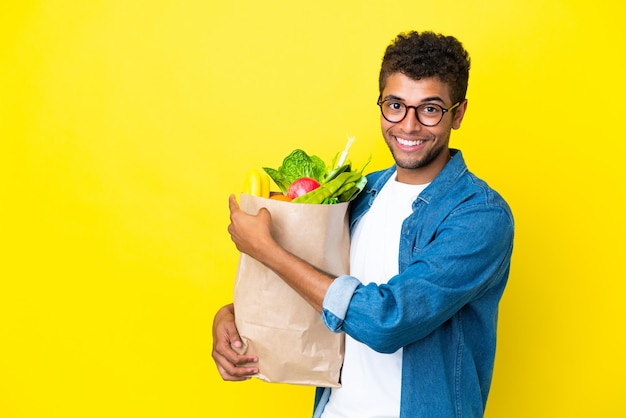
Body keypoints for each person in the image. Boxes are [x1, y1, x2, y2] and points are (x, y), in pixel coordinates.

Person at [212, 30, 514, 418]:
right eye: (395, 105)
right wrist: (231, 315)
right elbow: (313, 290)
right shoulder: (358, 193)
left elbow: (387, 321)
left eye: (430, 108)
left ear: (458, 113)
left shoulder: (479, 216)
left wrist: (267, 251)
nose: (408, 125)